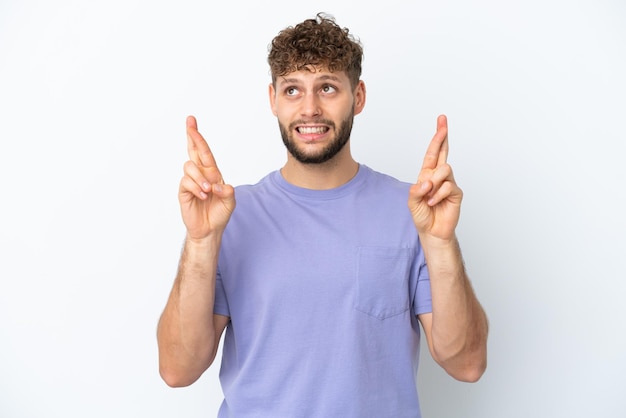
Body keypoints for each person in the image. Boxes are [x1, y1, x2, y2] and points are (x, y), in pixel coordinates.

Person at [157, 13, 488, 418]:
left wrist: (440, 244)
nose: (309, 109)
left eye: (327, 88)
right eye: (293, 90)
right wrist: (201, 242)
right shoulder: (229, 217)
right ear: (273, 100)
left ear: (358, 96)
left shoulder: (414, 212)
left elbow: (466, 363)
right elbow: (177, 370)